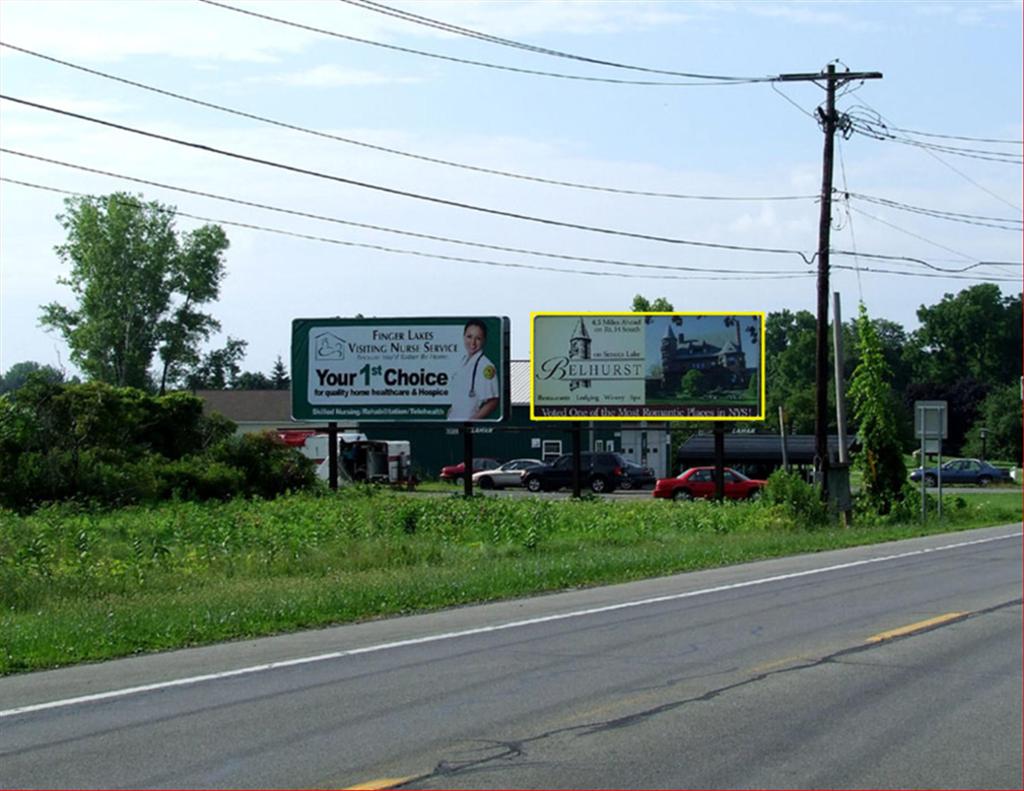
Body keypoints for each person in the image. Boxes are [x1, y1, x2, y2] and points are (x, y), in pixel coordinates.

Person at [447, 319, 499, 420]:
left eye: (478, 338)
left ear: (484, 340)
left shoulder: (486, 366)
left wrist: (471, 421)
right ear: (463, 336)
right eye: (469, 337)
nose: (473, 343)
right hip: (453, 423)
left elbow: (493, 401)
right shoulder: (462, 361)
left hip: (467, 427)